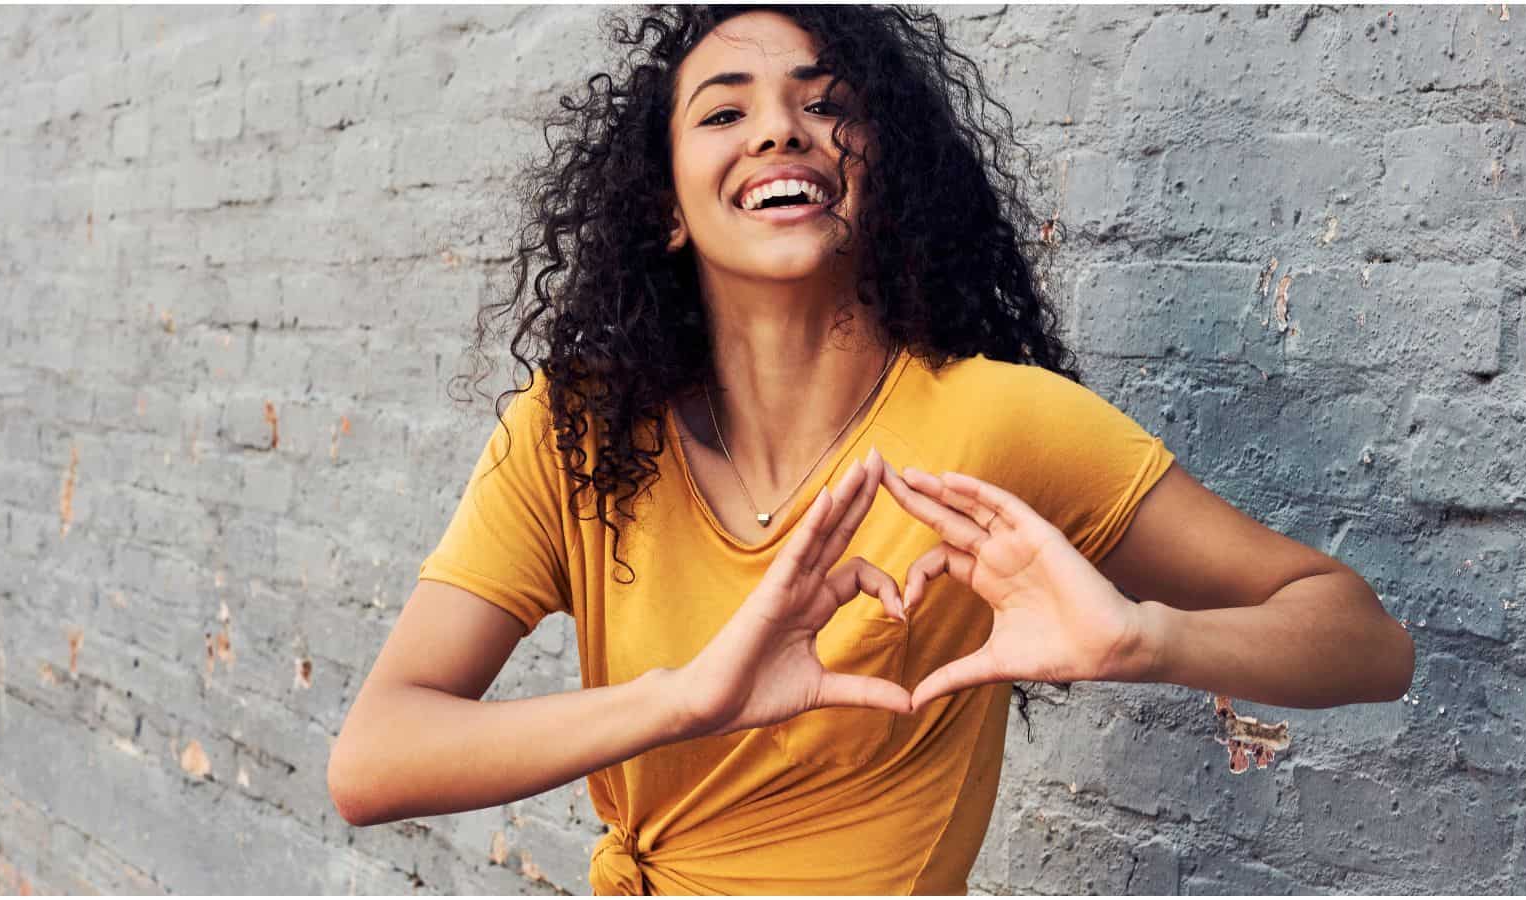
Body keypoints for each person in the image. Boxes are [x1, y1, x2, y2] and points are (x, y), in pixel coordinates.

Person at [328, 6, 1415, 894]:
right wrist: (687, 697)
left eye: (825, 104)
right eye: (724, 112)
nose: (778, 130)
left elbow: (1366, 642)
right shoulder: (578, 430)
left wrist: (1147, 640)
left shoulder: (999, 422)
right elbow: (374, 760)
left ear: (881, 172)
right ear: (664, 205)